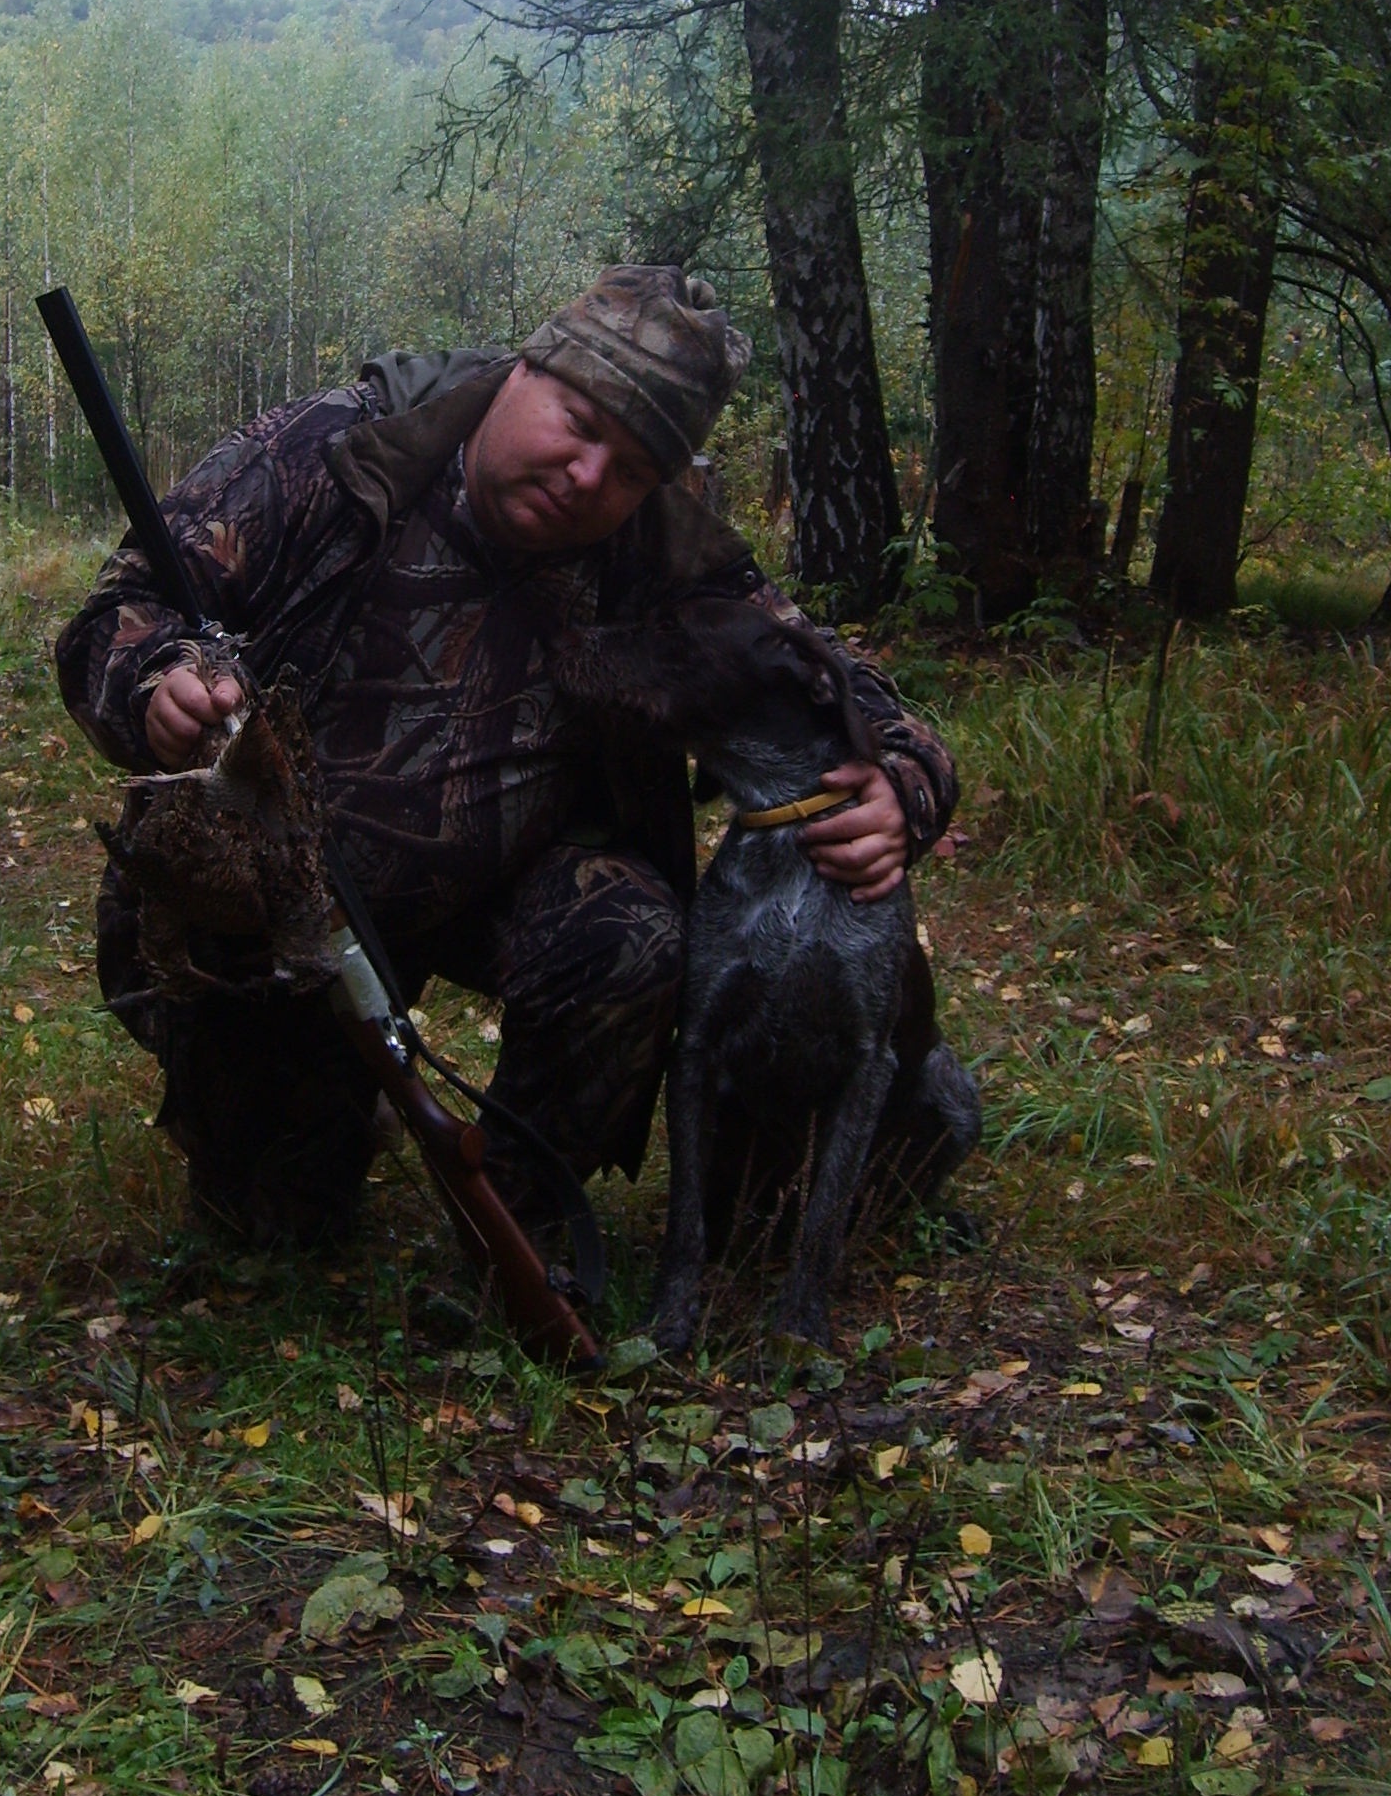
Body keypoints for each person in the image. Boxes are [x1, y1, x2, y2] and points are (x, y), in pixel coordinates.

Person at [56, 265, 963, 1249]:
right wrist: (156, 683)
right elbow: (120, 608)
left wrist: (904, 784)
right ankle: (299, 1128)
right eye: (580, 425)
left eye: (631, 470)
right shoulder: (336, 448)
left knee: (635, 937)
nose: (589, 478)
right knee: (271, 1229)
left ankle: (519, 1216)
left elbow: (834, 681)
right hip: (279, 897)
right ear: (525, 369)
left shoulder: (662, 550)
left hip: (509, 885)